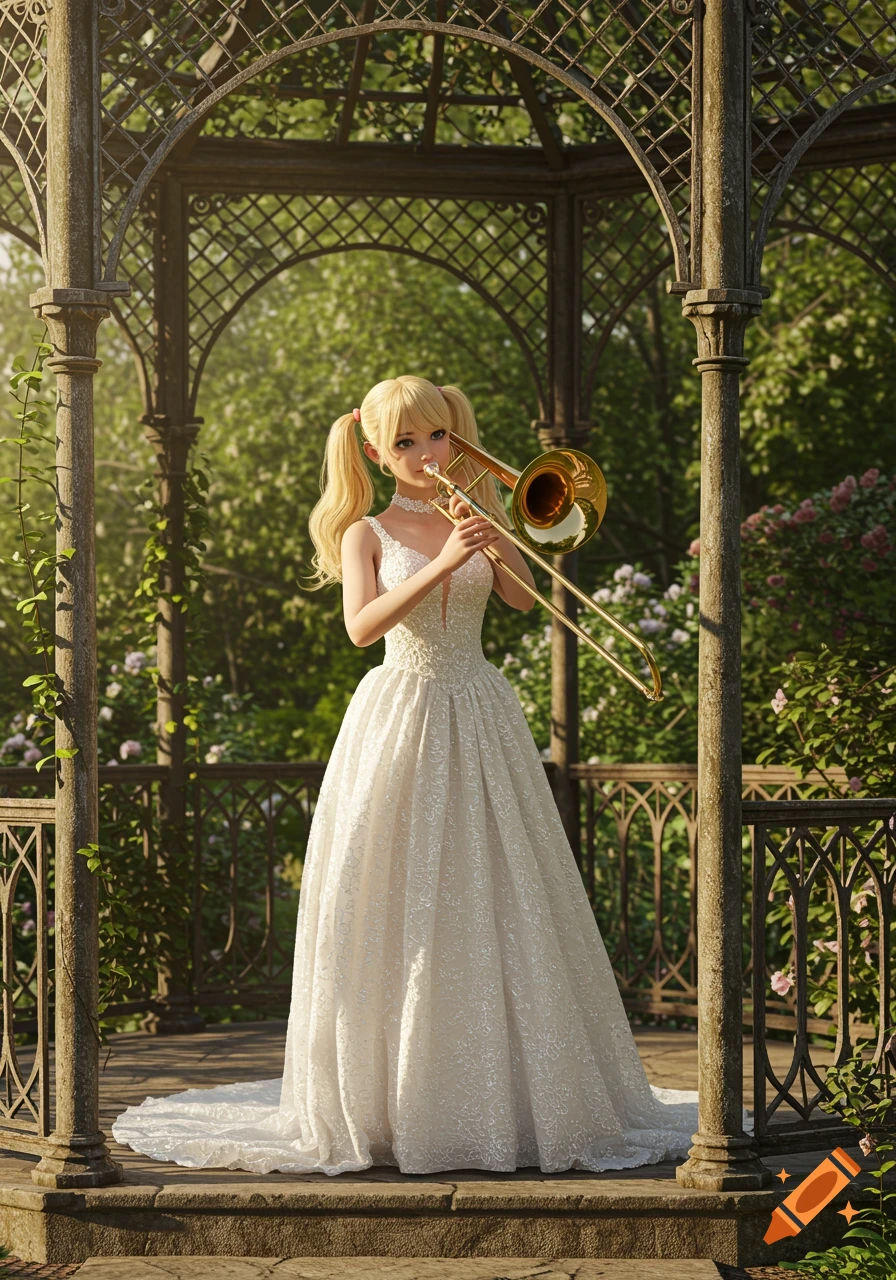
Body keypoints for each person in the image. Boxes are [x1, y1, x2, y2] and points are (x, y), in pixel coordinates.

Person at [112, 375, 698, 1176]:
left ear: (457, 437)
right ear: (378, 452)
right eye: (407, 443)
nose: (427, 455)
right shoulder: (365, 531)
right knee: (399, 899)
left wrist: (492, 534)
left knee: (499, 892)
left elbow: (527, 603)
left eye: (438, 437)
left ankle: (514, 1097)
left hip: (482, 710)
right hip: (401, 711)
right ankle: (393, 1106)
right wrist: (443, 560)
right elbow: (360, 628)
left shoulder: (479, 512)